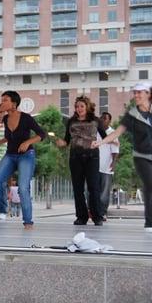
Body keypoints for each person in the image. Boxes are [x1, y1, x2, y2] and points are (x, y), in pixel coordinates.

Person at [93, 82, 152, 234]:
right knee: (150, 187)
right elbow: (117, 133)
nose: (136, 95)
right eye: (134, 92)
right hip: (142, 157)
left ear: (148, 94)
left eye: (139, 93)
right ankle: (150, 224)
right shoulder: (132, 114)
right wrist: (100, 142)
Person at [0, 91, 46, 230]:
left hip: (26, 155)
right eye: (2, 100)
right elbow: (8, 138)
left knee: (23, 188)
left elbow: (42, 134)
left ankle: (28, 222)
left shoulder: (26, 118)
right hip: (10, 155)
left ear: (14, 104)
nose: (2, 103)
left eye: (5, 100)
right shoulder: (5, 119)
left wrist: (28, 142)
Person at [56, 96, 106, 226]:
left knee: (93, 187)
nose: (79, 109)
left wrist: (99, 143)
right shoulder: (71, 121)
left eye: (81, 106)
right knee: (78, 188)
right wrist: (62, 143)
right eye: (77, 106)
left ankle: (97, 217)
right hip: (75, 157)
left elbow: (106, 137)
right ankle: (81, 217)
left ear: (87, 107)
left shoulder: (95, 120)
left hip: (92, 157)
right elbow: (66, 141)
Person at [98, 112, 120, 220]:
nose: (102, 119)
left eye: (104, 118)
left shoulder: (112, 132)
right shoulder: (96, 131)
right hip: (94, 167)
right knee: (92, 191)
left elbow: (115, 150)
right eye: (101, 117)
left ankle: (102, 213)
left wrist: (113, 163)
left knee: (104, 193)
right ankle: (93, 212)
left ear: (109, 121)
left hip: (107, 168)